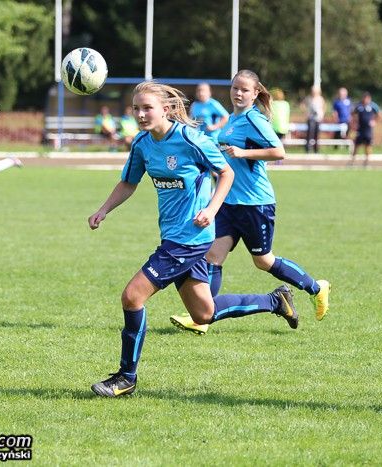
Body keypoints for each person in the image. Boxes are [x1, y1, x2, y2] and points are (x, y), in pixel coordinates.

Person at [87, 81, 299, 397]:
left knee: (132, 297)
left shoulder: (191, 139)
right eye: (136, 109)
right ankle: (275, 301)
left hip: (189, 238)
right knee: (203, 313)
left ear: (166, 109)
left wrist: (211, 210)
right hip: (174, 236)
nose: (141, 114)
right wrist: (103, 210)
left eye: (147, 108)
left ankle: (126, 377)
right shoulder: (143, 143)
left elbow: (226, 173)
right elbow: (128, 183)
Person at [170, 70, 330, 336]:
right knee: (213, 256)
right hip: (229, 201)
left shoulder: (254, 119)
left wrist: (244, 152)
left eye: (244, 90)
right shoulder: (232, 118)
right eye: (235, 88)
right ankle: (201, 317)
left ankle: (316, 287)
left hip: (255, 203)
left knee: (263, 261)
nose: (238, 93)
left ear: (255, 93)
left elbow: (279, 151)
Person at [351, 92, 381, 166]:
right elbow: (353, 114)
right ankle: (352, 161)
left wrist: (374, 121)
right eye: (364, 98)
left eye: (367, 98)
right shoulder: (359, 106)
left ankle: (367, 162)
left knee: (368, 145)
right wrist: (355, 123)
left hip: (368, 130)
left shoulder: (373, 105)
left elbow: (380, 114)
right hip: (360, 129)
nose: (365, 100)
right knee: (356, 145)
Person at [303, 85, 325, 153]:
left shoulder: (320, 98)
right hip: (311, 118)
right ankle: (308, 148)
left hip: (318, 118)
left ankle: (316, 149)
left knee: (317, 134)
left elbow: (323, 107)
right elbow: (303, 105)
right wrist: (306, 113)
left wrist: (322, 114)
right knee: (310, 133)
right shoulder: (309, 98)